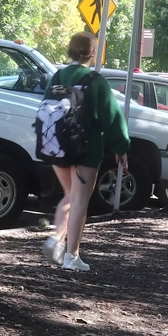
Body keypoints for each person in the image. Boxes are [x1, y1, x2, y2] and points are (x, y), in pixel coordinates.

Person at [41, 32, 130, 271]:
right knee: (80, 200)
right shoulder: (94, 80)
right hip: (87, 150)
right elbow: (111, 117)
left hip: (57, 145)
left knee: (69, 196)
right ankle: (72, 257)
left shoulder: (58, 76)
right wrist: (121, 147)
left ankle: (56, 240)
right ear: (92, 53)